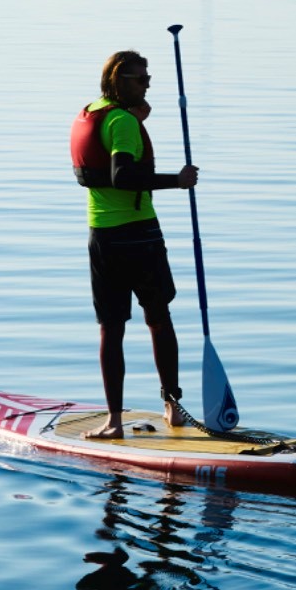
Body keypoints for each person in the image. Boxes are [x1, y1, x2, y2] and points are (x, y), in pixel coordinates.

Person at [70, 50, 198, 439]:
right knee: (158, 319)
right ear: (119, 81)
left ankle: (113, 421)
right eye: (139, 78)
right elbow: (123, 176)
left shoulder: (94, 112)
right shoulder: (123, 122)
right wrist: (178, 181)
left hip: (102, 236)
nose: (146, 84)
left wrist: (135, 112)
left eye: (148, 78)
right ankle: (173, 408)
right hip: (140, 235)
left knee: (111, 328)